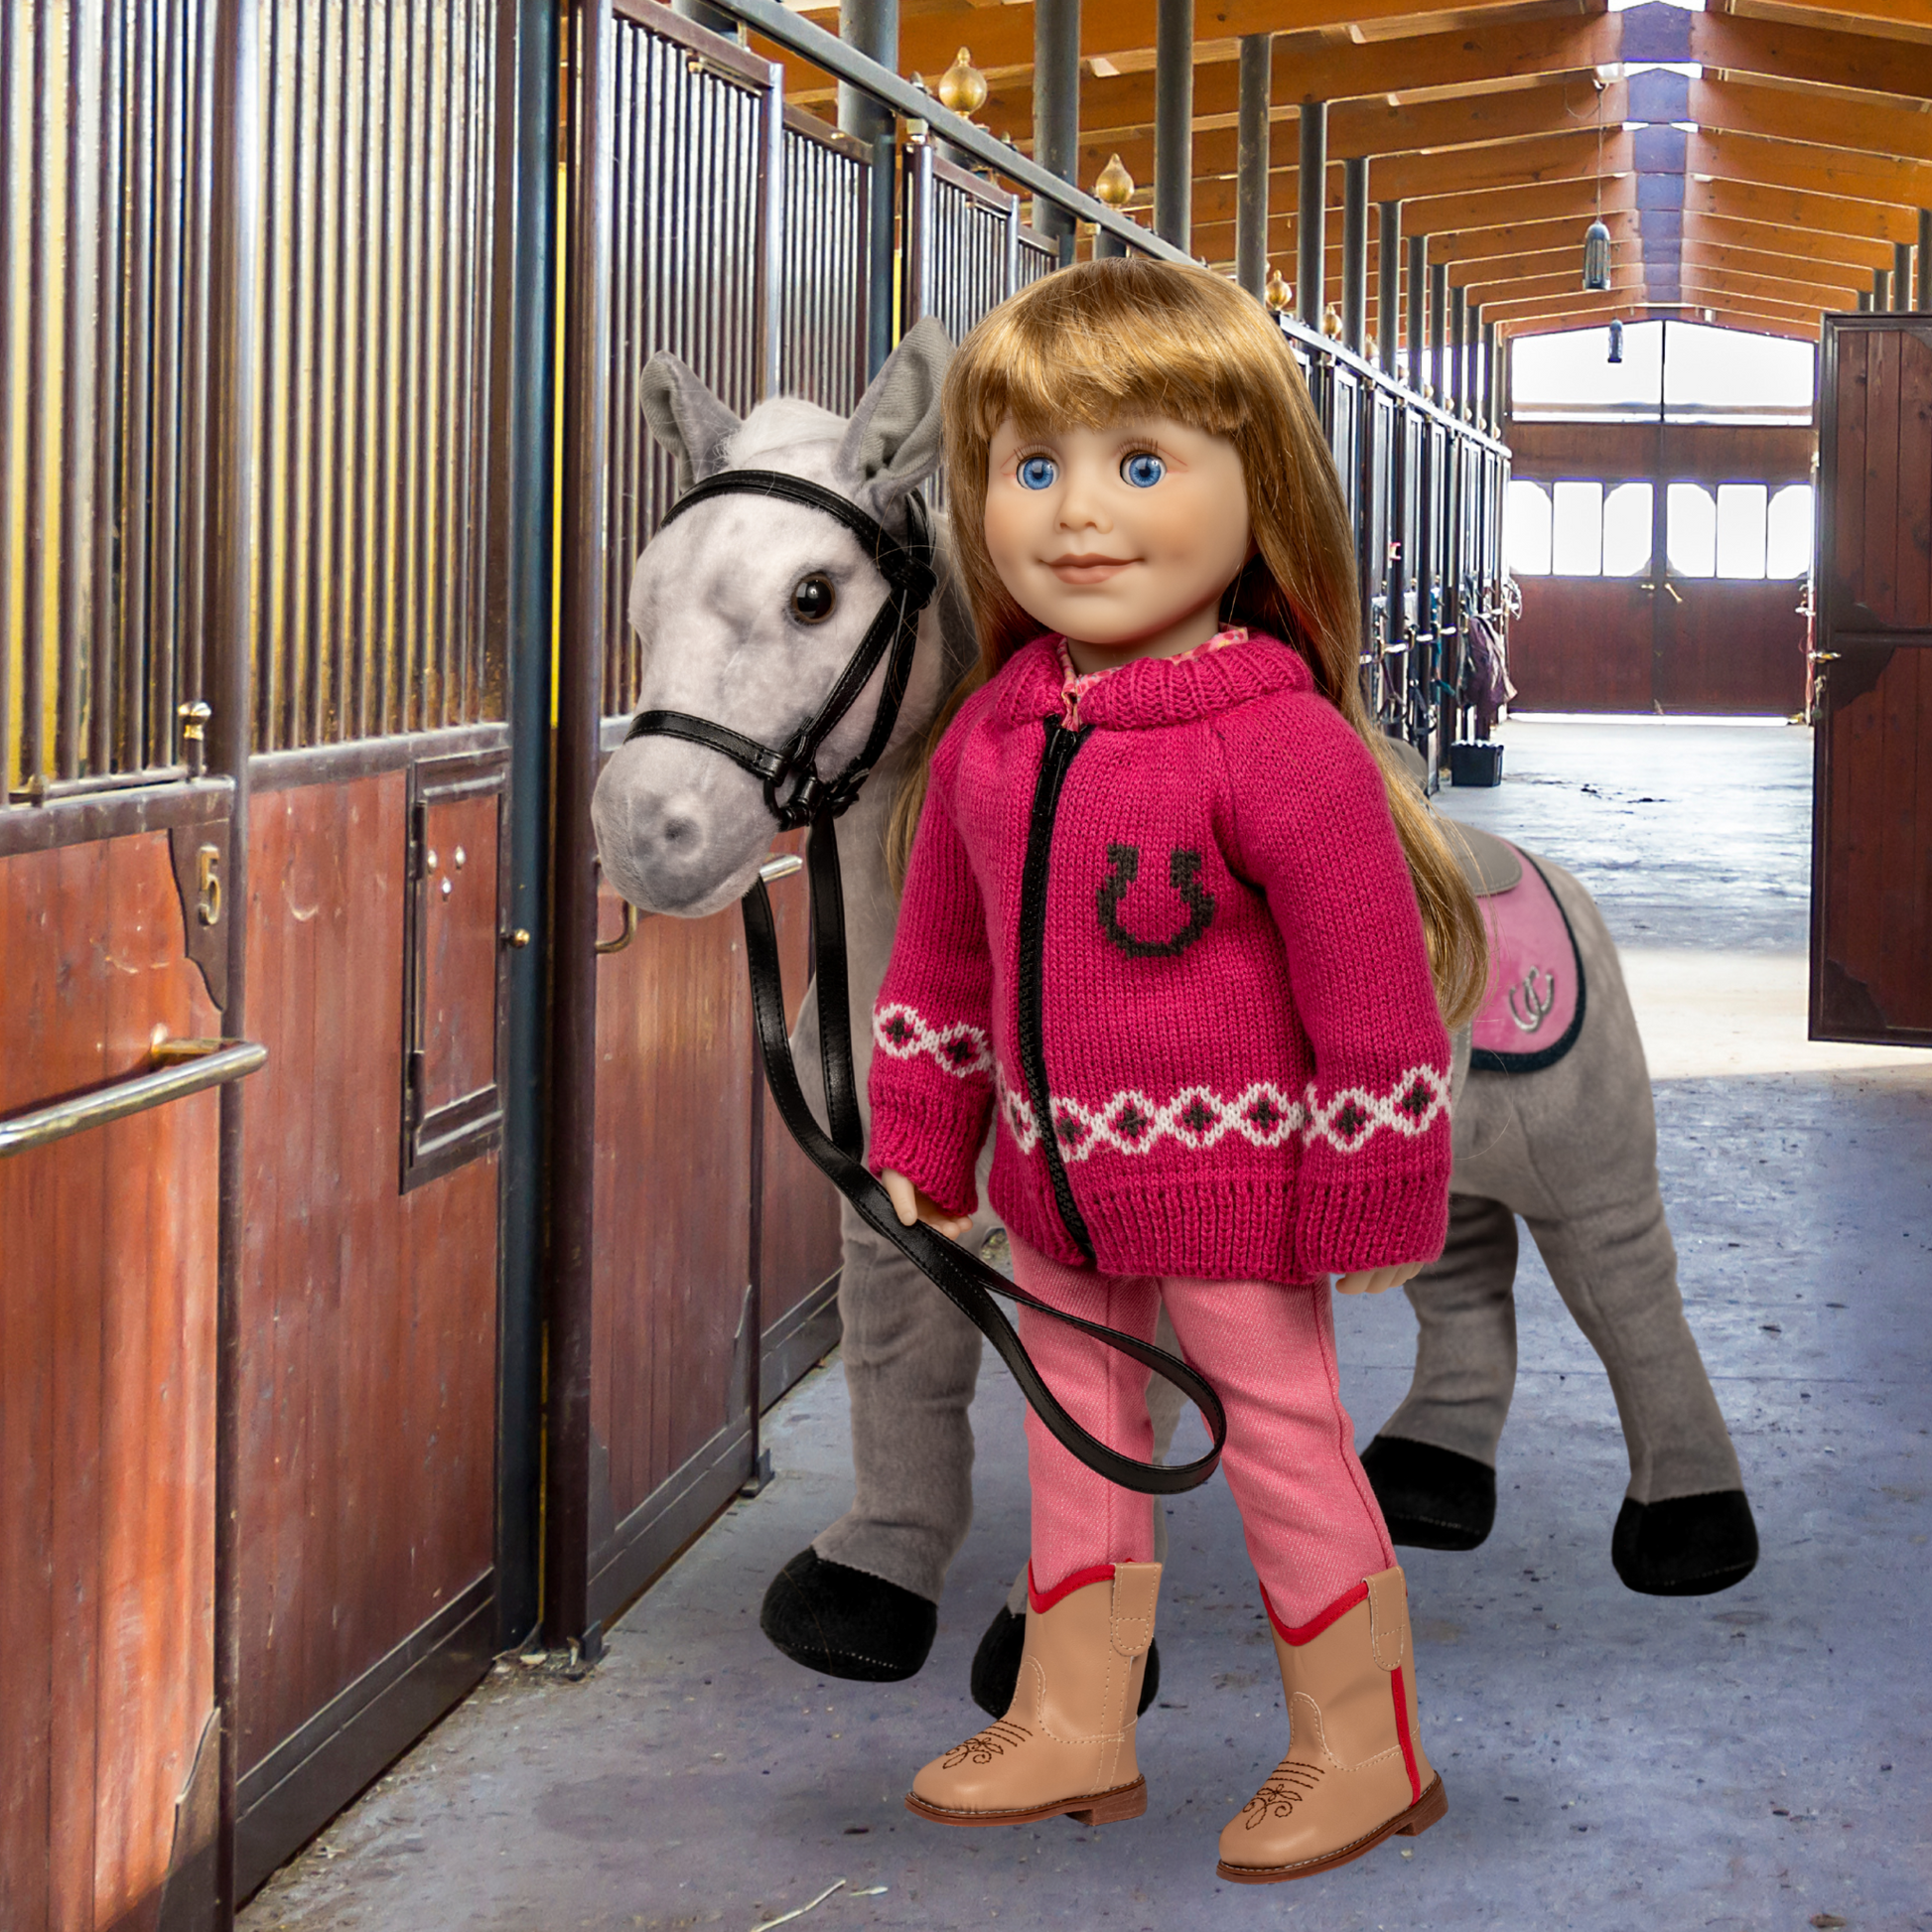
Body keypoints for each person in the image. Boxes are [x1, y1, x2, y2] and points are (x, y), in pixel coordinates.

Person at [863, 258, 1488, 1883]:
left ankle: (1364, 1744)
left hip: (1236, 1184)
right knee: (1073, 1431)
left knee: (1279, 1435)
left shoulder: (1279, 745)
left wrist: (1375, 1182)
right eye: (1032, 465)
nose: (1078, 512)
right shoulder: (993, 735)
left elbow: (1368, 997)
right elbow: (940, 964)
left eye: (1140, 463)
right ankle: (1076, 1718)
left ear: (1253, 483)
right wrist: (922, 1126)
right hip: (1050, 1182)